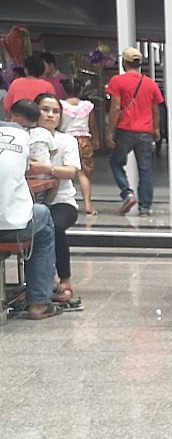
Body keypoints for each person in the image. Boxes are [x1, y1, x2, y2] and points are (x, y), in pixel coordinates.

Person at [0, 105, 58, 320]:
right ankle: (40, 301)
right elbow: (24, 170)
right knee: (44, 218)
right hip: (12, 228)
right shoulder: (22, 137)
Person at [105, 46, 163, 216]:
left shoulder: (117, 81)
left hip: (124, 130)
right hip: (145, 132)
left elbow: (115, 108)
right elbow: (155, 110)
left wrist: (109, 132)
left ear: (124, 62)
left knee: (116, 162)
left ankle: (127, 193)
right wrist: (156, 128)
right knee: (145, 169)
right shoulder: (151, 83)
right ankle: (145, 208)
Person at [36, 94, 82, 307]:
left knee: (54, 226)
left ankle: (64, 279)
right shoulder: (25, 138)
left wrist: (47, 168)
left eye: (55, 111)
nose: (50, 115)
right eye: (45, 109)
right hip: (31, 200)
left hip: (62, 202)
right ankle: (38, 281)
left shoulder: (67, 140)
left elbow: (71, 171)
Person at [59, 76, 98, 215]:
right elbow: (93, 124)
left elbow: (58, 123)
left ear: (65, 90)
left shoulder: (61, 105)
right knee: (83, 174)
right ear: (81, 90)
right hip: (84, 140)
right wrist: (96, 139)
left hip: (65, 139)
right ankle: (87, 205)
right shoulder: (87, 106)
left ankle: (65, 202)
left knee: (64, 172)